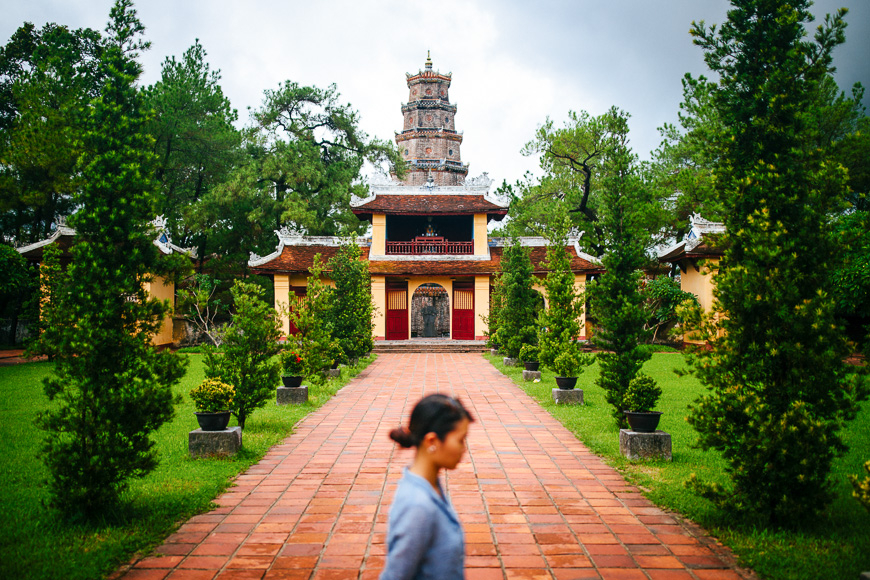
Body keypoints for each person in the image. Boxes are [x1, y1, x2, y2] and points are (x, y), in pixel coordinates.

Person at [379, 394, 474, 580]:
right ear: (432, 441)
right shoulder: (417, 505)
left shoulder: (430, 486)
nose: (464, 449)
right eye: (461, 440)